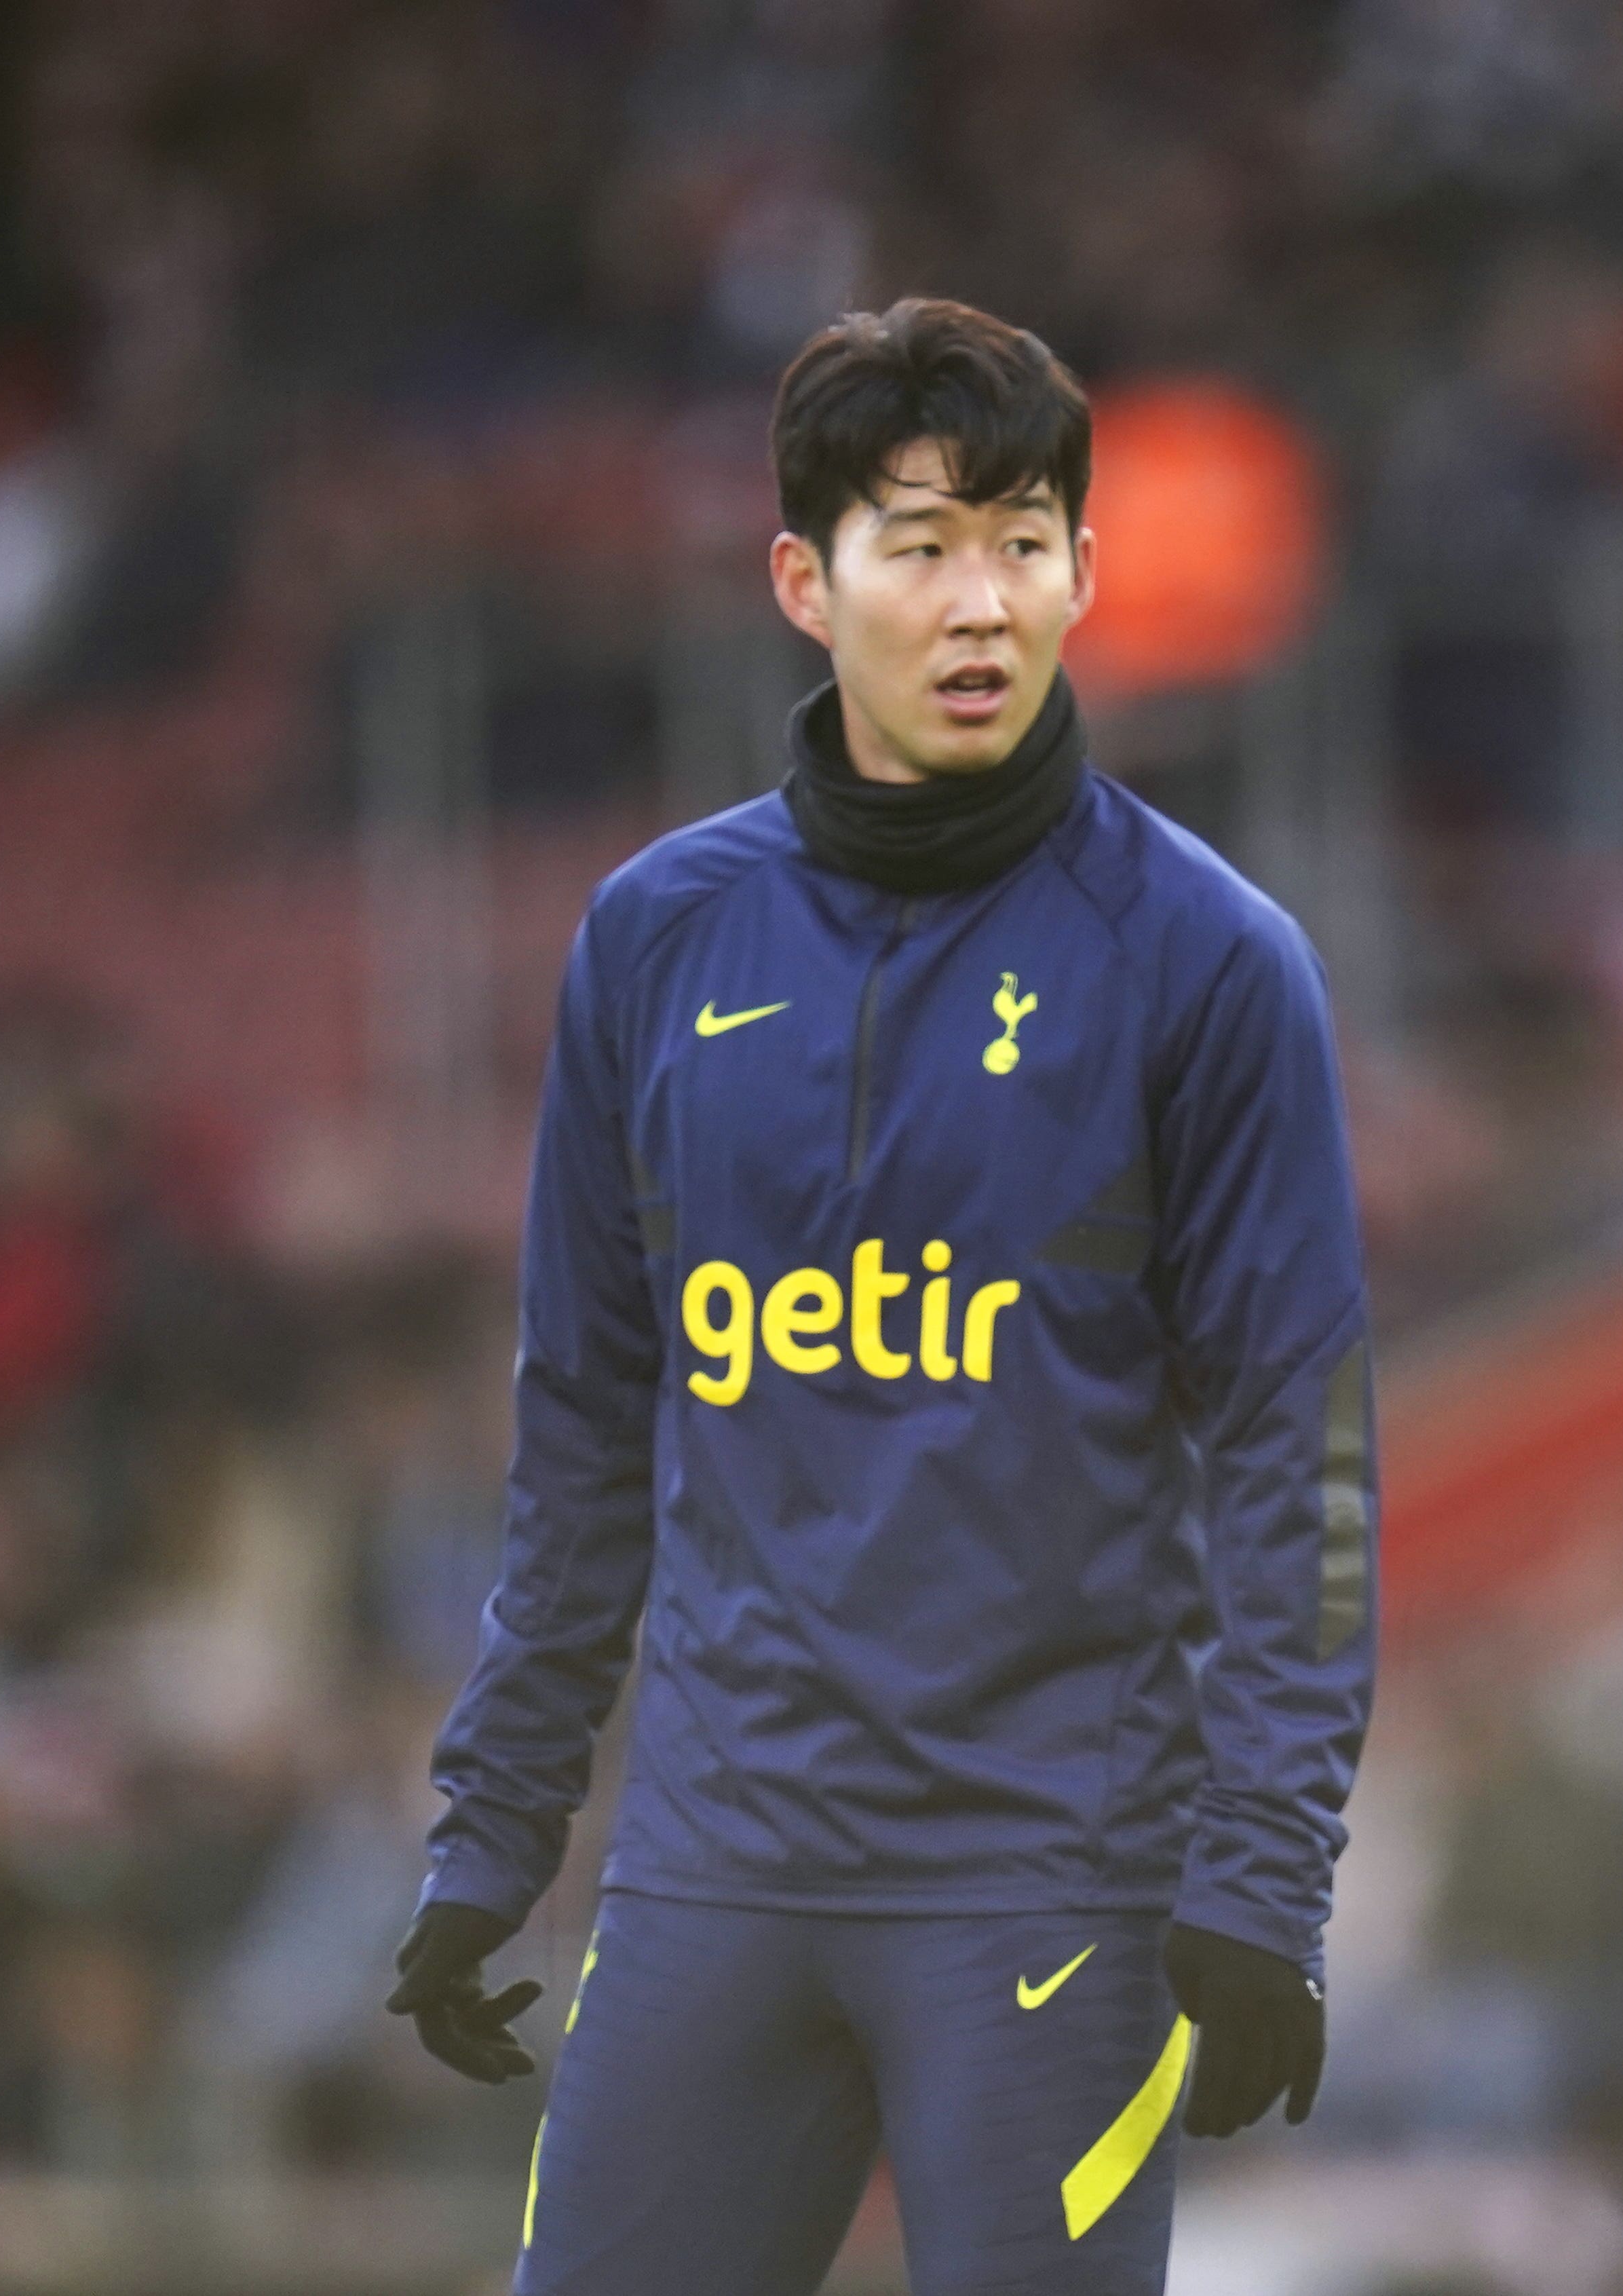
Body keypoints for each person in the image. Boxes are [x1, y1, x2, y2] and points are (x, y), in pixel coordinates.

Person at [383, 297, 1377, 2296]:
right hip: (709, 1879)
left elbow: (1304, 1462)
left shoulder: (1210, 964)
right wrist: (493, 1831)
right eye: (916, 545)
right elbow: (583, 1422)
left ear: (1090, 575)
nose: (977, 601)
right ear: (801, 582)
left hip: (1051, 1888)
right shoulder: (654, 942)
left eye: (1021, 542)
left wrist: (1262, 1875)